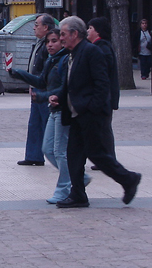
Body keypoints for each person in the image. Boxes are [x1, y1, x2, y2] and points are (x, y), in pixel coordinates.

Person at [49, 16, 141, 208]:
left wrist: (92, 109)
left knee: (97, 154)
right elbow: (71, 84)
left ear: (75, 34)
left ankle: (129, 179)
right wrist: (59, 97)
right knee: (74, 155)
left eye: (64, 34)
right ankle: (78, 195)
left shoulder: (92, 52)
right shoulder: (71, 54)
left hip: (89, 115)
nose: (61, 38)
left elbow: (102, 85)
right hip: (76, 115)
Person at [11, 28, 89, 203]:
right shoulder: (51, 60)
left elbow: (64, 88)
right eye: (48, 42)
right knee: (47, 149)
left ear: (62, 42)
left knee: (60, 152)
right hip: (54, 109)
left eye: (54, 41)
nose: (50, 45)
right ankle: (78, 177)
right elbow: (41, 82)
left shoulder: (64, 60)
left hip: (63, 109)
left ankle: (64, 189)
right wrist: (20, 74)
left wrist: (43, 97)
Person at [17, 13, 55, 166]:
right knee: (35, 124)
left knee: (47, 123)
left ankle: (55, 154)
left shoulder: (50, 45)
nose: (34, 28)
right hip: (36, 88)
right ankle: (33, 156)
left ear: (46, 27)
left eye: (37, 25)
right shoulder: (39, 42)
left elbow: (47, 71)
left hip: (44, 90)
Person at [87, 17, 119, 160]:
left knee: (104, 128)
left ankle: (108, 157)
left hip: (104, 97)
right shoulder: (99, 47)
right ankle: (104, 156)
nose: (87, 31)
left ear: (98, 31)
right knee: (101, 128)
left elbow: (103, 75)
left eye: (90, 28)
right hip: (103, 96)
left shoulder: (102, 48)